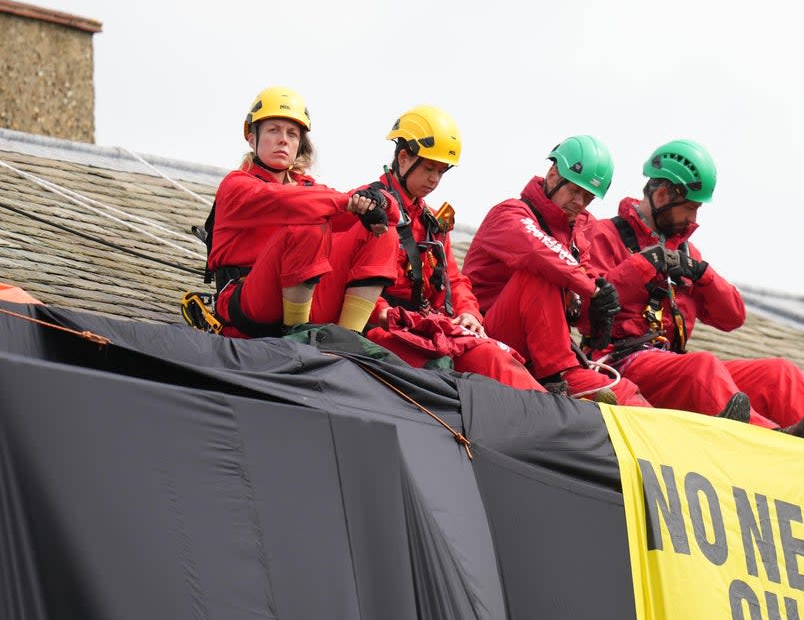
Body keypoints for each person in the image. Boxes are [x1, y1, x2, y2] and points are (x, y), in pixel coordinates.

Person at [585, 138, 804, 453]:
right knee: (702, 366)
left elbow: (733, 317)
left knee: (779, 373)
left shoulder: (686, 252)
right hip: (620, 364)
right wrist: (644, 265)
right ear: (661, 195)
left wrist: (703, 274)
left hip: (671, 365)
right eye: (688, 208)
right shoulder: (602, 234)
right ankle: (772, 439)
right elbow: (588, 305)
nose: (693, 219)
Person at [359, 106, 545, 391]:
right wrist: (387, 315)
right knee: (487, 359)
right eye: (429, 168)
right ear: (404, 157)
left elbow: (454, 280)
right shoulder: (370, 206)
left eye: (441, 171)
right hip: (389, 330)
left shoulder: (433, 221)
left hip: (430, 328)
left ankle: (551, 410)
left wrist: (469, 313)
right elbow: (356, 280)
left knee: (496, 355)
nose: (435, 179)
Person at [462, 136, 651, 406]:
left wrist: (597, 311)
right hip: (491, 340)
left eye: (587, 196)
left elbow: (577, 309)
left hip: (547, 359)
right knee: (542, 272)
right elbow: (540, 254)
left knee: (626, 393)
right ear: (553, 174)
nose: (579, 201)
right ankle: (557, 387)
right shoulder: (508, 214)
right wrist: (592, 289)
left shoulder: (579, 232)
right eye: (575, 190)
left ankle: (693, 438)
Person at [205, 86, 399, 338]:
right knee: (308, 222)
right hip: (249, 305)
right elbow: (292, 203)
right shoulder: (237, 185)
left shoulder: (309, 189)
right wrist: (351, 202)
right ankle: (296, 335)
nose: (284, 139)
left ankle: (346, 339)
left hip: (301, 297)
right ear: (252, 139)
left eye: (292, 134)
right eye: (273, 130)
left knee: (380, 233)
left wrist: (379, 202)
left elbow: (392, 216)